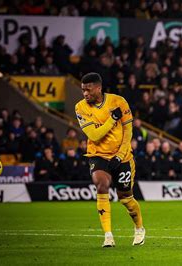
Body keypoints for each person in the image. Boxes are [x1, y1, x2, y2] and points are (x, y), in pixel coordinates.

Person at [75, 72, 145, 248]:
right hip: (97, 154)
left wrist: (120, 156)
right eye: (83, 90)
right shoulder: (80, 107)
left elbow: (128, 132)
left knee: (126, 199)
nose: (85, 94)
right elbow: (94, 135)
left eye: (88, 90)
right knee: (101, 185)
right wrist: (112, 119)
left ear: (98, 88)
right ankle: (108, 235)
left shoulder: (118, 101)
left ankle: (139, 228)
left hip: (122, 156)